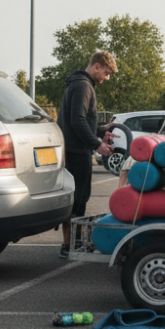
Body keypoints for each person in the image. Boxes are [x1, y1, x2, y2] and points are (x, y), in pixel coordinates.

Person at [57, 51, 118, 258]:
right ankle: (70, 245)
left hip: (75, 149)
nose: (107, 78)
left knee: (79, 198)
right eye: (106, 73)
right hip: (76, 151)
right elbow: (77, 121)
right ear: (97, 66)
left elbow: (79, 121)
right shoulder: (83, 86)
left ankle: (73, 243)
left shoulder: (80, 84)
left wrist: (101, 131)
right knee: (78, 199)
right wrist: (97, 144)